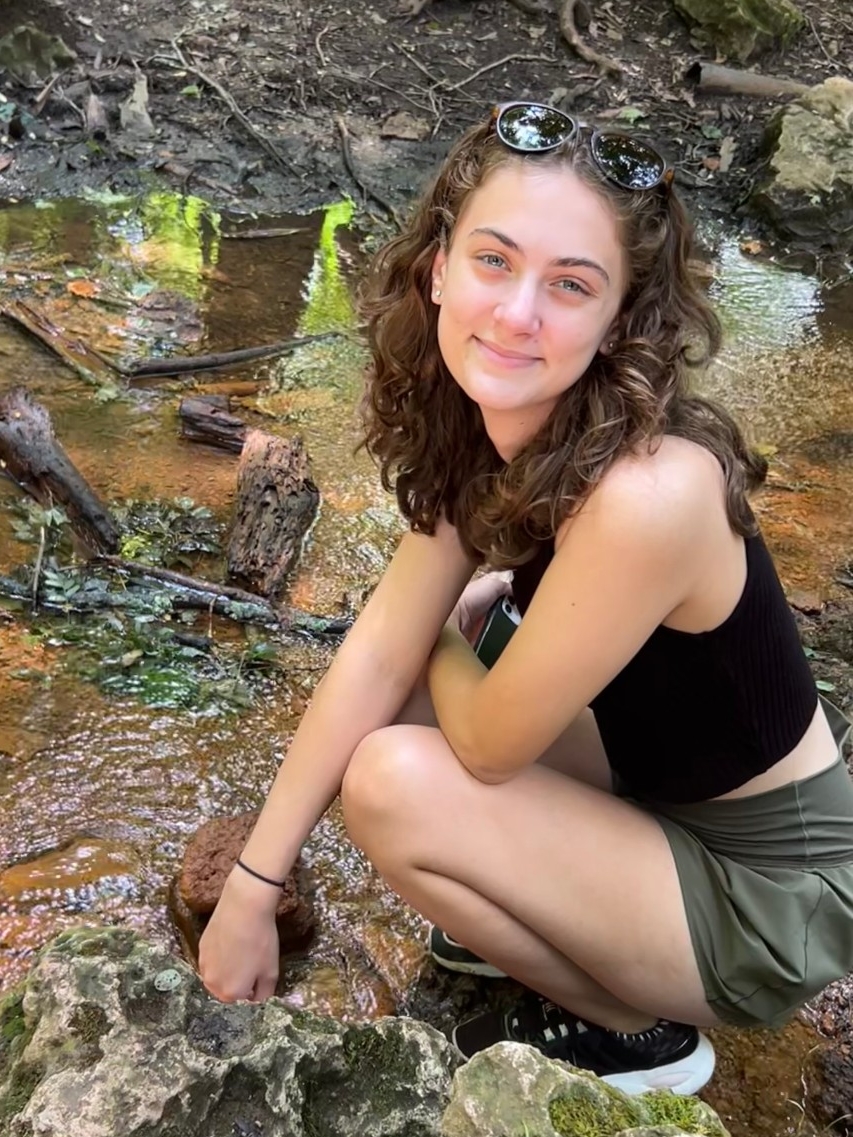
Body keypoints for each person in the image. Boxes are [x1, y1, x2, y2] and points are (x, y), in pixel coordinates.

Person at [199, 102, 853, 1096]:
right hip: (663, 798)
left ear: (617, 320)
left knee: (394, 768)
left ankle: (639, 1030)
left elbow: (475, 728)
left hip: (768, 902)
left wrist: (438, 627)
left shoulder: (645, 491)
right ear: (438, 268)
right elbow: (374, 652)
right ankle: (533, 910)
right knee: (424, 677)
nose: (515, 314)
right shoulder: (490, 424)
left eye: (570, 285)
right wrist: (253, 886)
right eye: (494, 262)